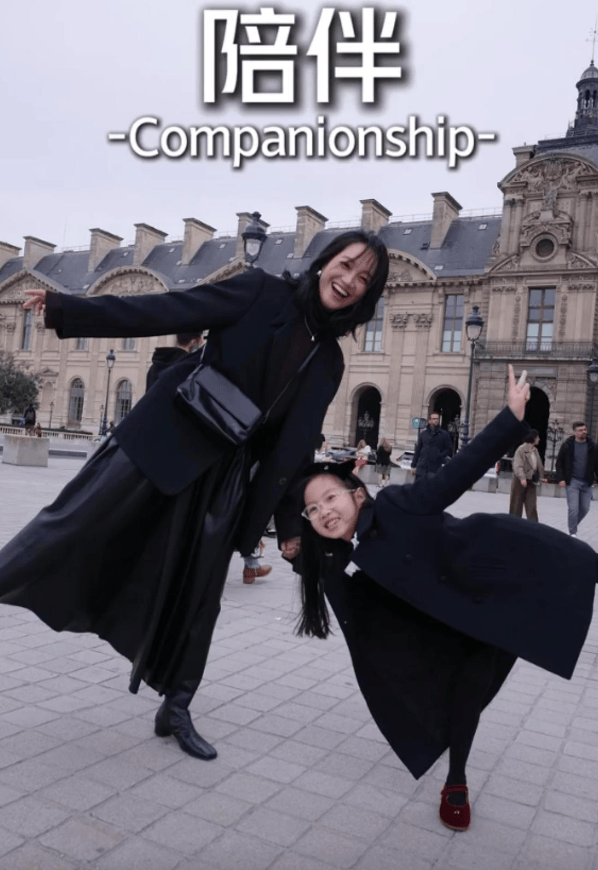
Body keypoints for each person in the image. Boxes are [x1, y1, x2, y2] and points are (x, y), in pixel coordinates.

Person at [0, 230, 389, 764]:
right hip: (166, 436)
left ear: (366, 297)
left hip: (224, 477)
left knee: (201, 598)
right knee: (72, 521)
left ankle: (177, 706)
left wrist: (290, 528)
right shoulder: (259, 291)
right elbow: (168, 309)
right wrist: (69, 309)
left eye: (364, 279)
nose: (349, 281)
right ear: (325, 263)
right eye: (346, 265)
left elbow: (293, 450)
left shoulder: (329, 363)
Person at [295, 366, 596, 833]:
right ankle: (456, 776)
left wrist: (510, 418)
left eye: (330, 498)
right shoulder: (333, 561)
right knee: (458, 696)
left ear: (358, 494)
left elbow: (453, 477)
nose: (325, 512)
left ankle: (455, 779)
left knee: (571, 574)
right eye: (314, 510)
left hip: (481, 585)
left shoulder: (394, 505)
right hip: (437, 630)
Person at [556, 421, 598, 537]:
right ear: (575, 433)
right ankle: (572, 533)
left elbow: (596, 465)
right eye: (580, 430)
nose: (583, 432)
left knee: (585, 509)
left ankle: (572, 525)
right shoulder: (567, 445)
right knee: (573, 509)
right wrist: (561, 478)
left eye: (584, 430)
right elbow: (559, 463)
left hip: (587, 482)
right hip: (572, 481)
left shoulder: (592, 446)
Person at [509, 430, 546, 521]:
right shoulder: (521, 449)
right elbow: (517, 465)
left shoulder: (535, 450)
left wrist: (541, 477)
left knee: (531, 506)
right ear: (533, 438)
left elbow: (538, 465)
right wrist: (522, 478)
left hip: (531, 481)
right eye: (537, 437)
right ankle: (513, 525)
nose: (539, 439)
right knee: (516, 506)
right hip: (519, 481)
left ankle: (534, 526)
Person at [411, 411, 453, 478]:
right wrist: (413, 465)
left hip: (435, 468)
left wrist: (439, 455)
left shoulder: (444, 434)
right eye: (434, 419)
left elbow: (449, 449)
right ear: (430, 420)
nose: (436, 420)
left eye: (437, 419)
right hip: (421, 468)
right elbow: (418, 450)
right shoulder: (423, 434)